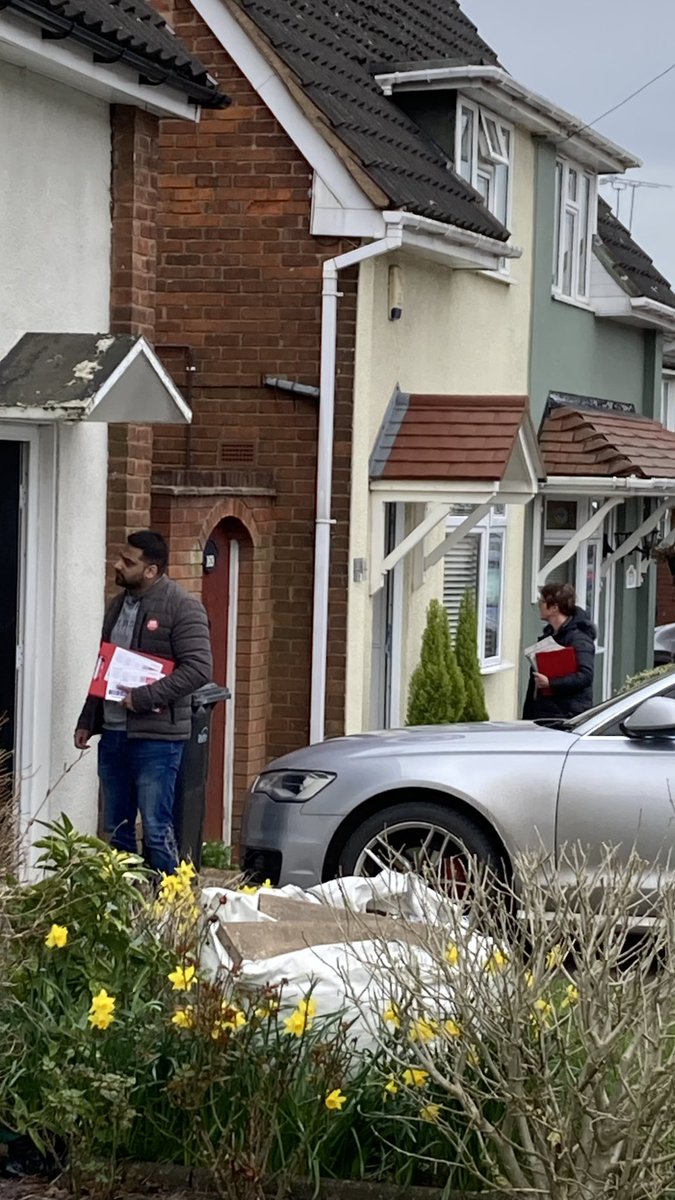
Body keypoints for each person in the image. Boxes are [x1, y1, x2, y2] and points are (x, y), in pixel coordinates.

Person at [75, 530, 212, 873]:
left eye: (128, 562)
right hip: (114, 735)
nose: (117, 565)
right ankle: (126, 904)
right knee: (117, 829)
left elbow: (198, 669)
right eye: (121, 557)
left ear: (151, 571)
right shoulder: (117, 605)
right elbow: (105, 664)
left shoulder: (182, 606)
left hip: (158, 739)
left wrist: (144, 697)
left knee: (155, 828)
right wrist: (87, 720)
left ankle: (173, 907)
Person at [522, 582, 596, 721]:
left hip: (566, 716)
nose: (539, 604)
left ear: (555, 607)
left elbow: (585, 676)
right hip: (544, 713)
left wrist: (551, 683)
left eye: (542, 601)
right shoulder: (549, 635)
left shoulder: (579, 638)